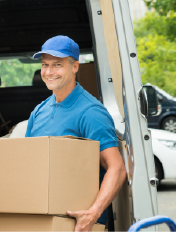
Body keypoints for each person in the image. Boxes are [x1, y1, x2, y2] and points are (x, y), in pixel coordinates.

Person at [25, 35, 126, 232]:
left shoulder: (91, 112)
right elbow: (29, 163)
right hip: (42, 218)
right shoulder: (39, 111)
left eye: (57, 65)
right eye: (45, 65)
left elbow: (117, 168)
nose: (49, 72)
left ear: (75, 67)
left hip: (78, 224)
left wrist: (93, 213)